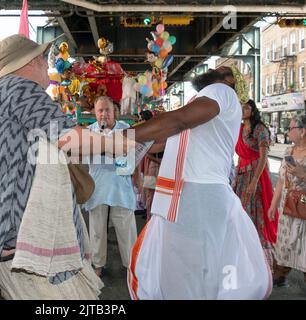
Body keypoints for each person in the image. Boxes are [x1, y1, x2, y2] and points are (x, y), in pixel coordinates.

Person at [0, 35, 130, 300]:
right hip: (18, 242)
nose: (46, 66)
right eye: (43, 59)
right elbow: (68, 138)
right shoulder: (21, 89)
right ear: (33, 61)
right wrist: (117, 143)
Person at [127, 66, 272, 299]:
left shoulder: (221, 91)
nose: (214, 68)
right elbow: (160, 143)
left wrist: (122, 137)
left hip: (199, 198)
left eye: (222, 69)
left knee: (188, 272)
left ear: (229, 80)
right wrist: (121, 144)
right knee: (194, 271)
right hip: (194, 197)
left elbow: (177, 121)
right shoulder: (204, 105)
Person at [84, 96, 137, 277]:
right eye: (100, 110)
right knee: (97, 229)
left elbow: (130, 162)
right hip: (97, 188)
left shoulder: (125, 130)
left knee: (126, 229)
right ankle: (97, 264)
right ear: (94, 113)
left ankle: (131, 266)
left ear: (114, 111)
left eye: (107, 110)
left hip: (121, 187)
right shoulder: (89, 132)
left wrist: (112, 152)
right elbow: (85, 157)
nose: (104, 114)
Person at [233, 99, 278, 267]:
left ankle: (257, 258)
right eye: (241, 107)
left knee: (255, 212)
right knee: (240, 211)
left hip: (255, 177)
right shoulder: (239, 128)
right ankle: (243, 251)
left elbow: (263, 156)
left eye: (246, 107)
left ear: (252, 111)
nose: (243, 110)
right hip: (241, 175)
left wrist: (254, 181)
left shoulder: (260, 129)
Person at [269, 115, 306, 288]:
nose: (287, 131)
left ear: (302, 131)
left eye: (290, 128)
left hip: (304, 208)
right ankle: (280, 275)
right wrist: (273, 204)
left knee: (303, 245)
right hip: (287, 207)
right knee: (284, 243)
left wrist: (303, 174)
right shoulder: (288, 152)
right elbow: (281, 181)